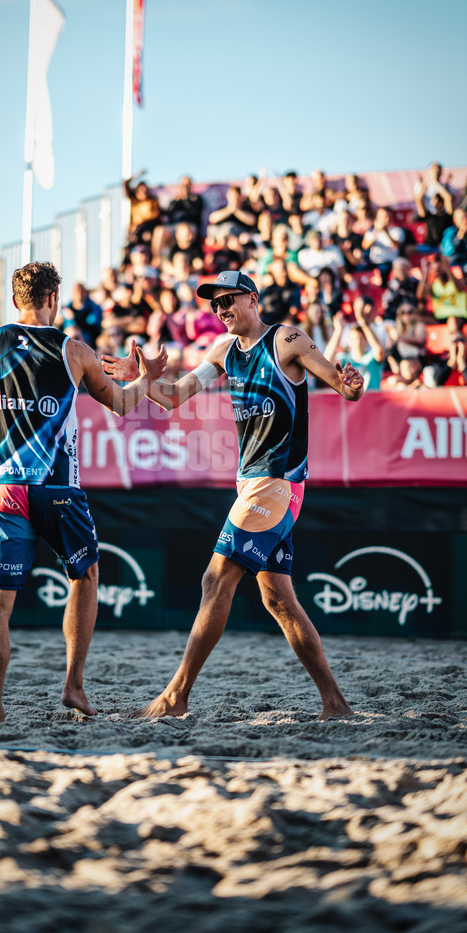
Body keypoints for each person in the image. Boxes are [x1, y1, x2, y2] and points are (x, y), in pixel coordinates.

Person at [102, 270, 363, 720]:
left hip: (276, 483)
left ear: (253, 300)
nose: (221, 309)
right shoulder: (223, 351)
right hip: (254, 484)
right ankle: (335, 703)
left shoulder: (288, 340)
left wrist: (350, 385)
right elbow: (174, 396)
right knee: (279, 601)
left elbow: (340, 385)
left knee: (214, 579)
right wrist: (141, 379)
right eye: (215, 303)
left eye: (229, 300)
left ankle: (175, 696)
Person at [0, 261, 166, 723]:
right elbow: (122, 405)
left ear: (15, 301)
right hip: (58, 489)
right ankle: (73, 685)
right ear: (54, 300)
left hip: (2, 490)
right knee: (86, 577)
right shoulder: (74, 351)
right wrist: (147, 377)